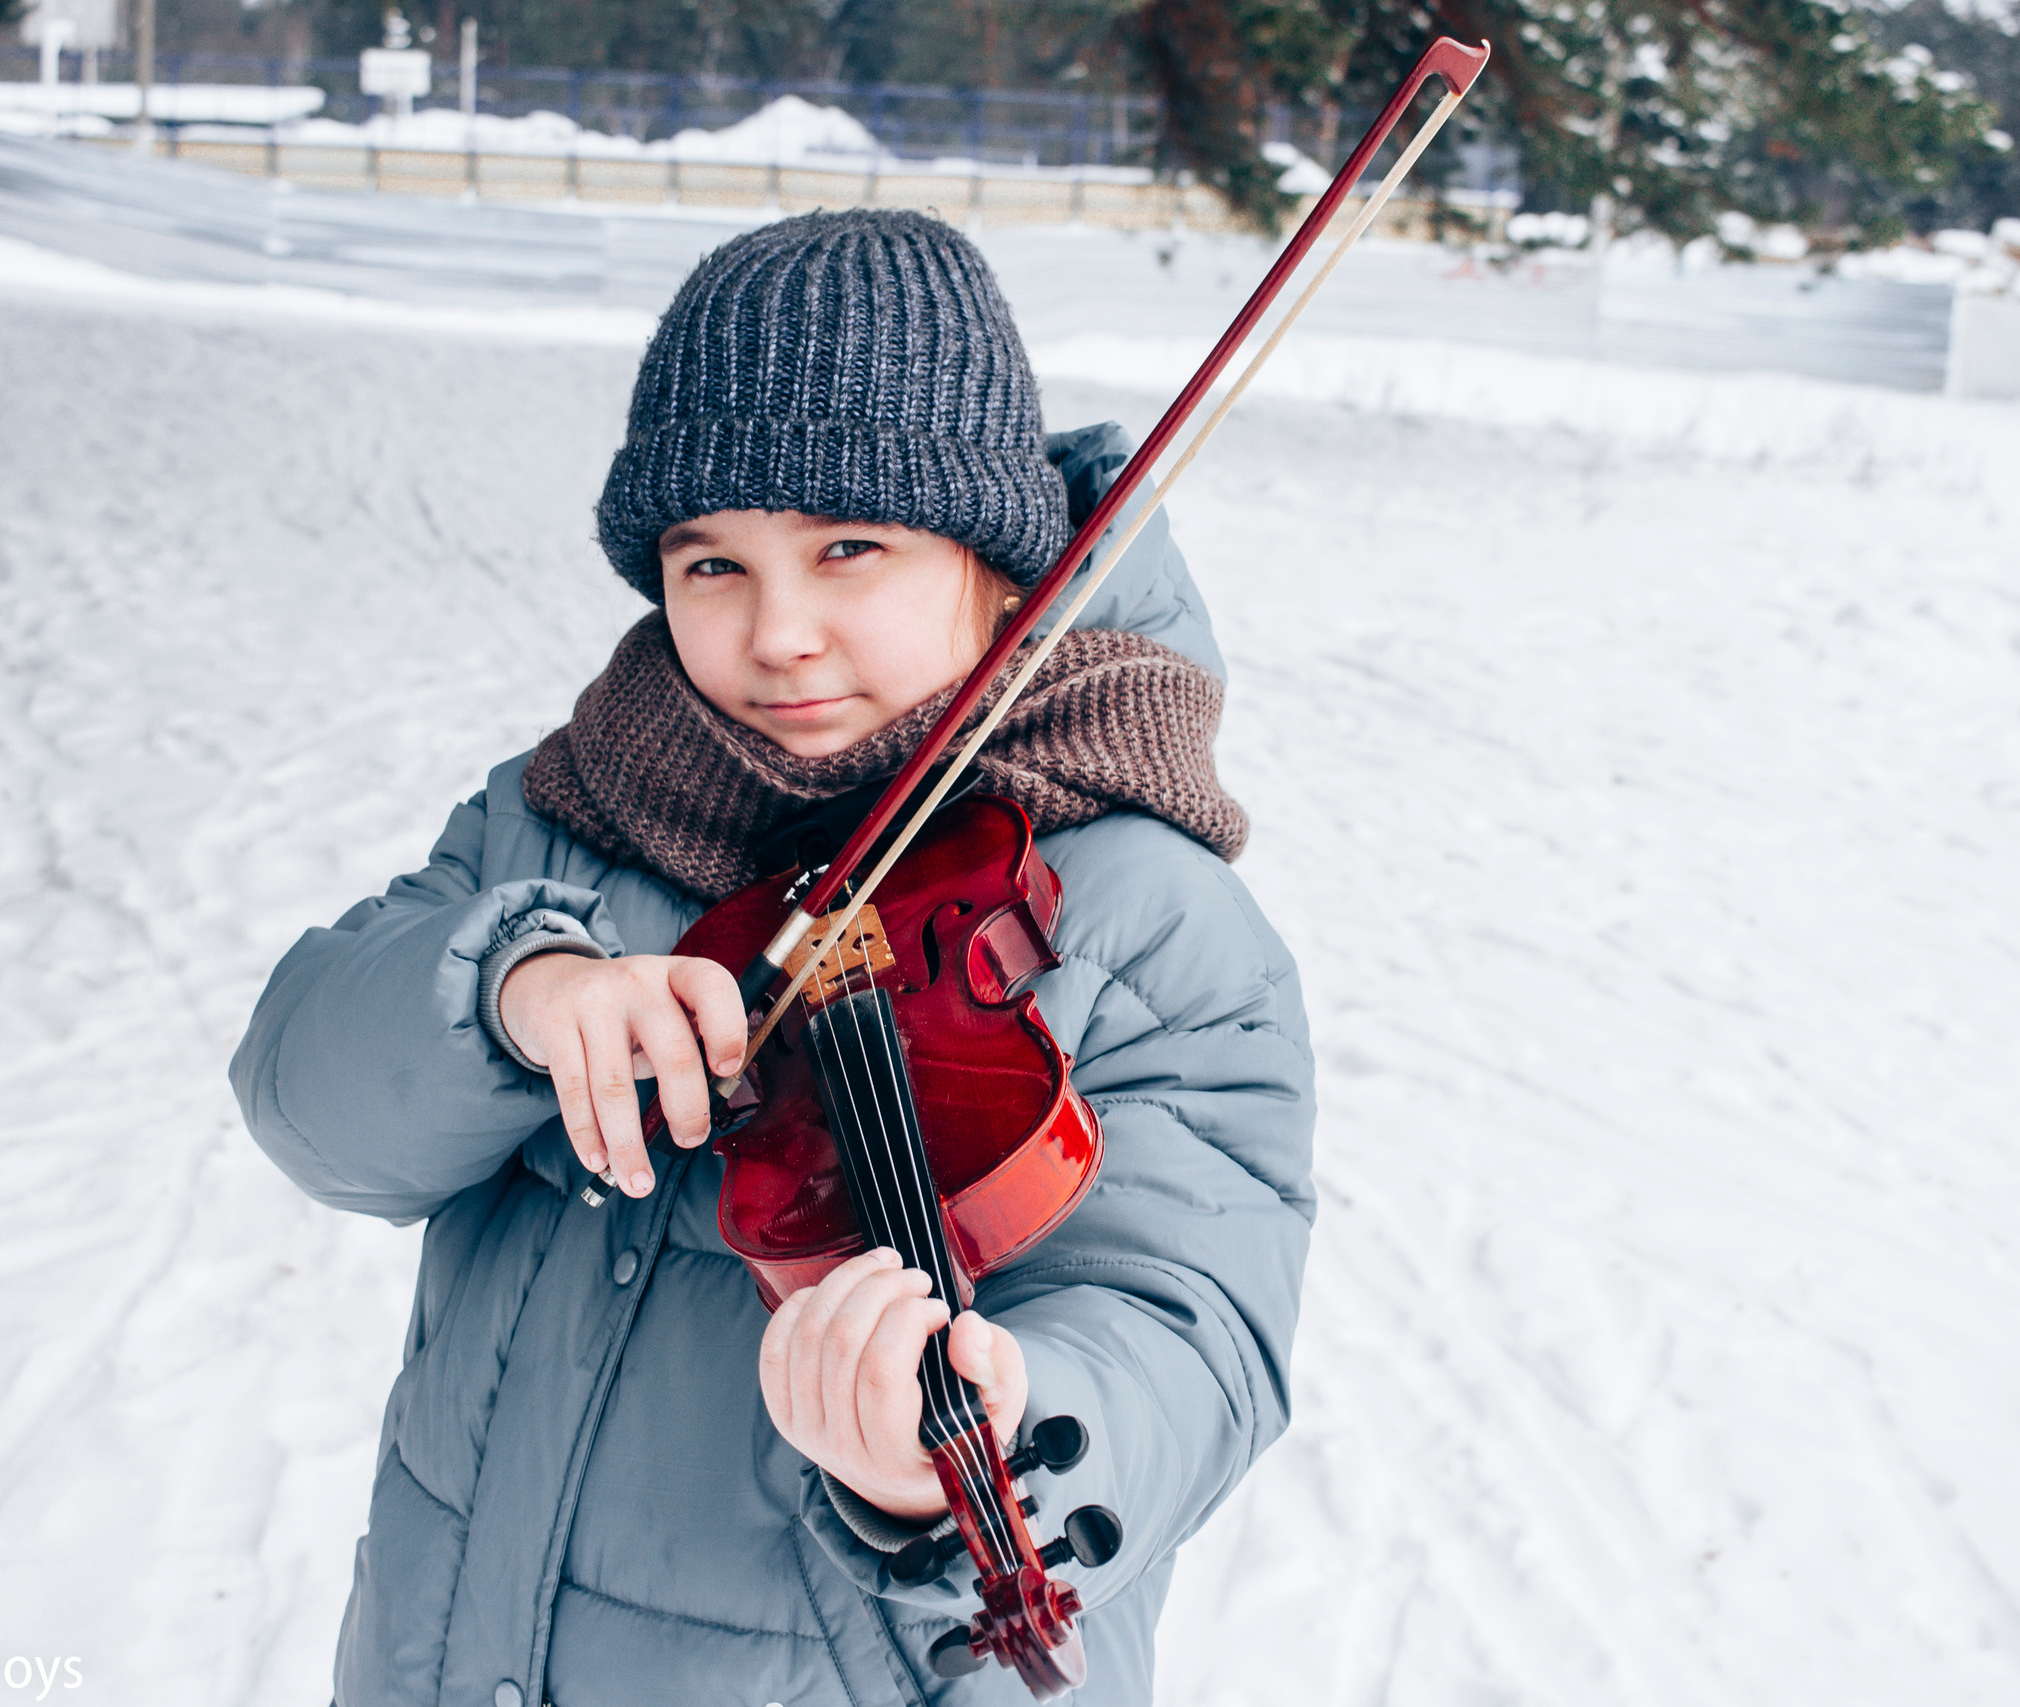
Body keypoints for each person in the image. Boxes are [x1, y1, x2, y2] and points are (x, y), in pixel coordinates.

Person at [230, 209, 1314, 1707]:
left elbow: (1192, 1335)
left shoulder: (1142, 910)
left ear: (998, 565)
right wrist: (517, 995)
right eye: (712, 565)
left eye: (848, 550)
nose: (778, 633)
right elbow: (306, 1099)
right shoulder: (569, 821)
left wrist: (984, 1442)